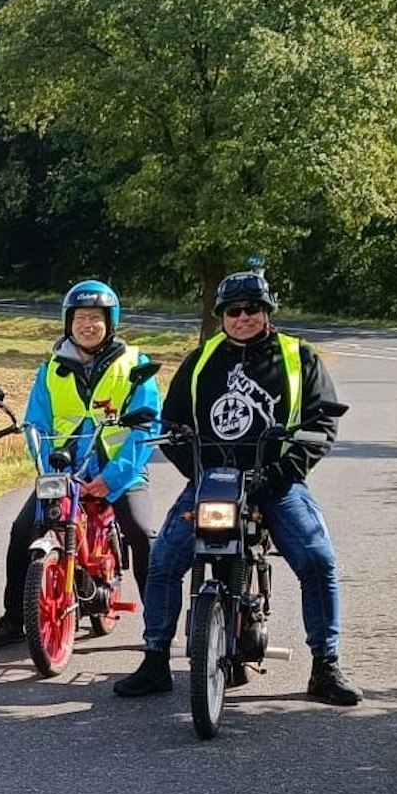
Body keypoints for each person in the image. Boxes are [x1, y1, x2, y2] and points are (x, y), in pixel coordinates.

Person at [112, 270, 362, 706]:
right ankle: (154, 659)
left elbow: (323, 422)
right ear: (222, 315)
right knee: (164, 560)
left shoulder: (298, 357)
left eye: (253, 309)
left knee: (318, 559)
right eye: (233, 310)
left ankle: (325, 664)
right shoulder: (200, 360)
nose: (243, 317)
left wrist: (282, 473)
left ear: (267, 312)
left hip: (276, 483)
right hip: (212, 483)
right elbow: (171, 422)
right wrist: (193, 467)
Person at [0, 279, 161, 646]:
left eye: (96, 318)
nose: (87, 325)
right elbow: (36, 422)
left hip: (120, 473)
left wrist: (113, 478)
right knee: (22, 531)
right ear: (69, 321)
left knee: (143, 534)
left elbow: (146, 426)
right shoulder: (51, 368)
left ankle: (159, 624)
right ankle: (15, 617)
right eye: (80, 317)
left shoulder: (133, 365)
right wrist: (50, 472)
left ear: (110, 322)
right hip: (64, 473)